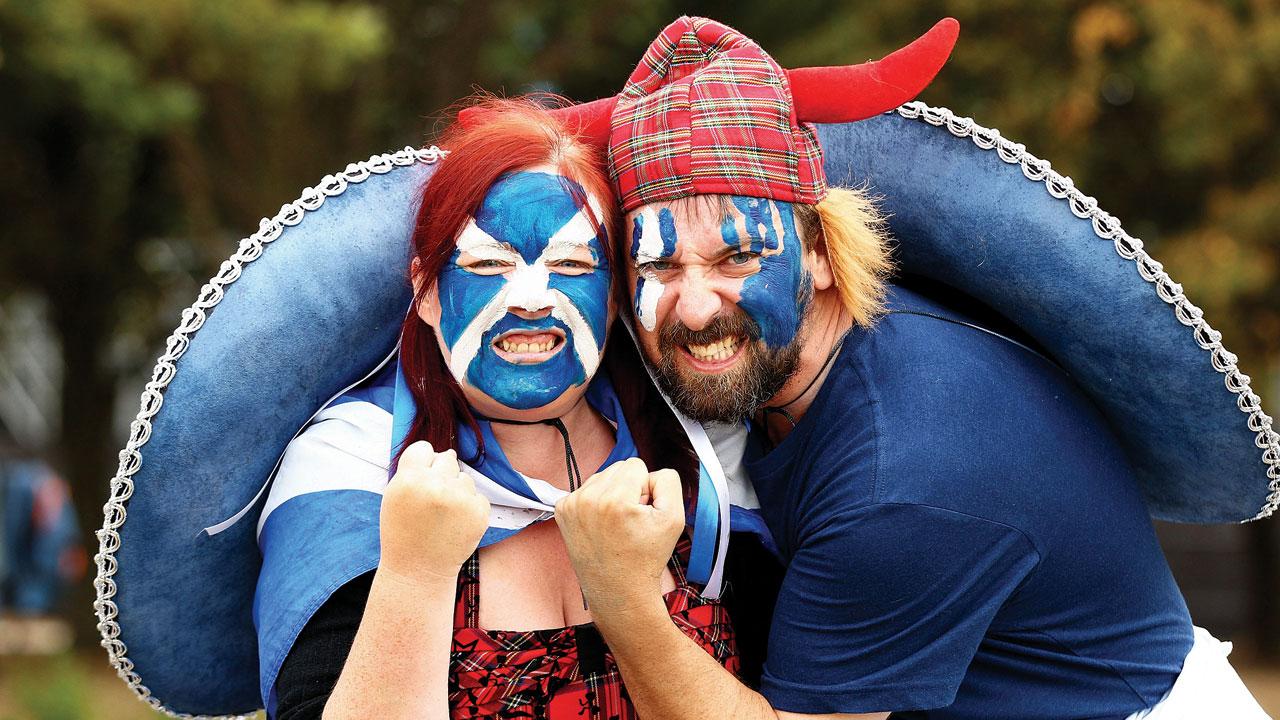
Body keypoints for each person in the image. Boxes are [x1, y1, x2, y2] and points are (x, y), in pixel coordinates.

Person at [543, 16, 1272, 720]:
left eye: (739, 256)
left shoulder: (898, 481)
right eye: (658, 263)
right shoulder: (817, 359)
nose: (697, 309)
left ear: (824, 256)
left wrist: (619, 598)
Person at [259, 97, 751, 720]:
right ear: (429, 292)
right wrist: (415, 573)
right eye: (488, 264)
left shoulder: (696, 453)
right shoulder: (351, 465)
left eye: (571, 264)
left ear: (613, 298)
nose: (531, 299)